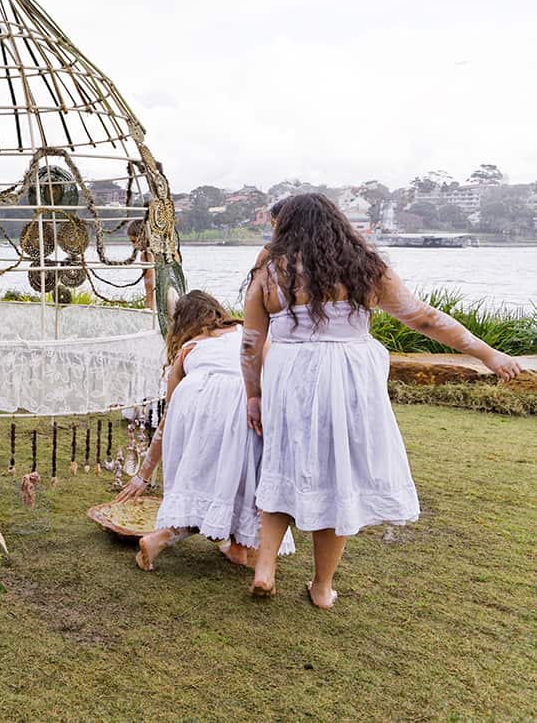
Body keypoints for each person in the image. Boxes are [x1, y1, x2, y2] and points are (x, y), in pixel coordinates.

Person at [241, 193, 522, 608]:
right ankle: (321, 587)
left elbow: (250, 344)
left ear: (288, 227)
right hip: (350, 381)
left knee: (282, 463)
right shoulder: (365, 268)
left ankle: (265, 568)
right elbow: (425, 318)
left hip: (291, 381)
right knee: (339, 476)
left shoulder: (269, 274)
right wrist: (487, 353)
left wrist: (254, 394)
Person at [119, 290, 294, 570]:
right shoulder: (248, 332)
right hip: (242, 395)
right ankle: (177, 540)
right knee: (243, 474)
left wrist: (144, 475)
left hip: (194, 399)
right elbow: (275, 369)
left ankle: (233, 548)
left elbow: (166, 420)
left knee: (203, 478)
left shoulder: (189, 349)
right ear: (217, 311)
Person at [127, 211, 156, 310]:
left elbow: (149, 286)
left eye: (134, 241)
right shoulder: (165, 252)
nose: (134, 246)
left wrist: (148, 306)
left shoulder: (146, 256)